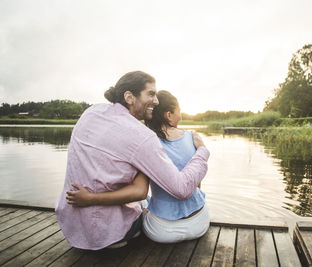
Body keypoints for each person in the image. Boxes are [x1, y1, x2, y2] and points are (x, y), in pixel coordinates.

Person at [55, 71, 210, 250]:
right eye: (151, 94)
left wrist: (90, 198)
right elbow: (181, 189)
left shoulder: (91, 113)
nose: (156, 101)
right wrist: (203, 151)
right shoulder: (144, 137)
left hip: (73, 224)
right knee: (143, 200)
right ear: (129, 97)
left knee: (141, 196)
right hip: (111, 233)